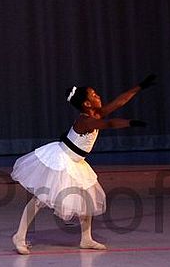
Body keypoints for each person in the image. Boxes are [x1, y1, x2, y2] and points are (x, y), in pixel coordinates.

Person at [11, 74, 156, 254]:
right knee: (40, 199)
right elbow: (109, 124)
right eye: (94, 95)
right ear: (86, 104)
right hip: (61, 160)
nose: (98, 96)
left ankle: (86, 239)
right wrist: (130, 122)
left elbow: (119, 102)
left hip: (77, 162)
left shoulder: (96, 113)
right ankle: (19, 236)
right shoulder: (85, 120)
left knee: (86, 200)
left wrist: (139, 87)